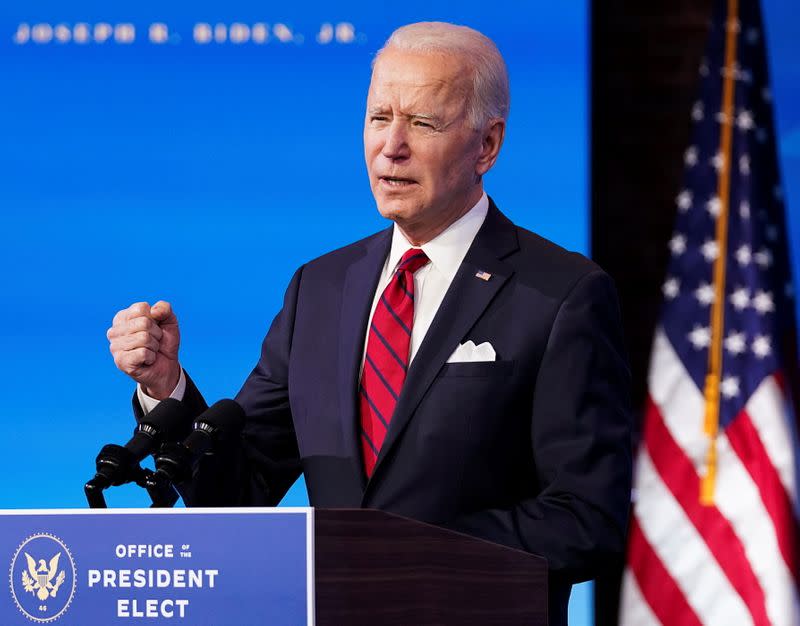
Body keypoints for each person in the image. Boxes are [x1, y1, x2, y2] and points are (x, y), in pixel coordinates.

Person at [107, 22, 632, 625]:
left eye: (423, 123)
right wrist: (166, 389)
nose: (392, 146)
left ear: (487, 145)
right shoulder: (321, 289)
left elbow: (588, 517)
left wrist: (408, 556)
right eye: (379, 117)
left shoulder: (561, 293)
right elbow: (239, 487)